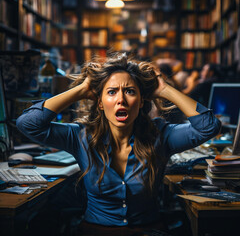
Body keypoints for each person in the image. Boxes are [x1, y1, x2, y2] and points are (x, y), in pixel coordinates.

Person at [16, 53, 221, 236]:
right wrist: (81, 90)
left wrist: (165, 89)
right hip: (94, 231)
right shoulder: (81, 137)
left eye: (130, 91)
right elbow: (27, 123)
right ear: (100, 102)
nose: (121, 99)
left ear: (141, 102)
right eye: (112, 92)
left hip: (148, 231)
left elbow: (208, 126)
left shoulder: (160, 136)